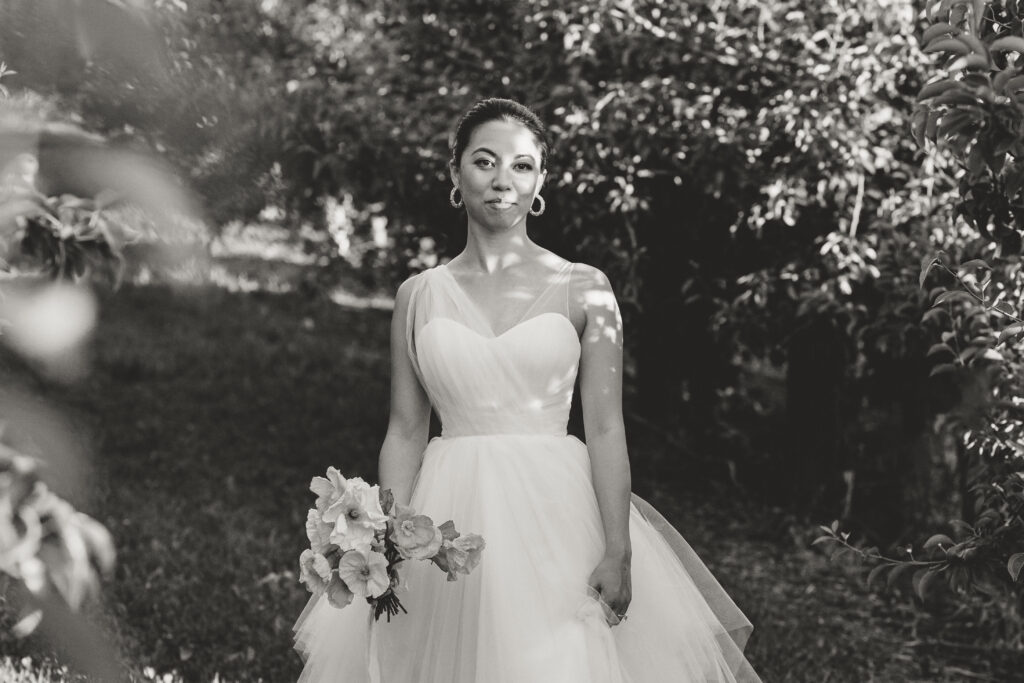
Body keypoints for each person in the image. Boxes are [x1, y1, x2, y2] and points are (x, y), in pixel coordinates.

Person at [293, 97, 761, 682]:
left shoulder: (587, 289)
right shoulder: (418, 296)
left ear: (540, 181)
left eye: (521, 166)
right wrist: (386, 542)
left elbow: (606, 426)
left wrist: (619, 549)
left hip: (555, 513)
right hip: (447, 515)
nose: (502, 181)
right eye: (485, 162)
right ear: (456, 173)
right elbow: (406, 428)